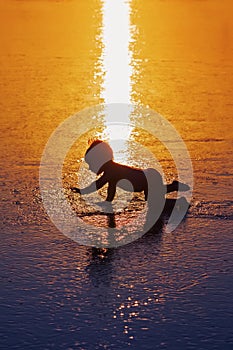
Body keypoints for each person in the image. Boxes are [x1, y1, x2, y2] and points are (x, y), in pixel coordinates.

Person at [71, 140, 190, 204]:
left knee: (154, 202)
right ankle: (175, 192)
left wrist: (82, 191)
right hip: (148, 175)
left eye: (91, 164)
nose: (90, 168)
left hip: (149, 178)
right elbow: (111, 189)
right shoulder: (111, 172)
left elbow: (97, 185)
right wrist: (108, 202)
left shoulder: (111, 171)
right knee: (155, 199)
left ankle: (177, 194)